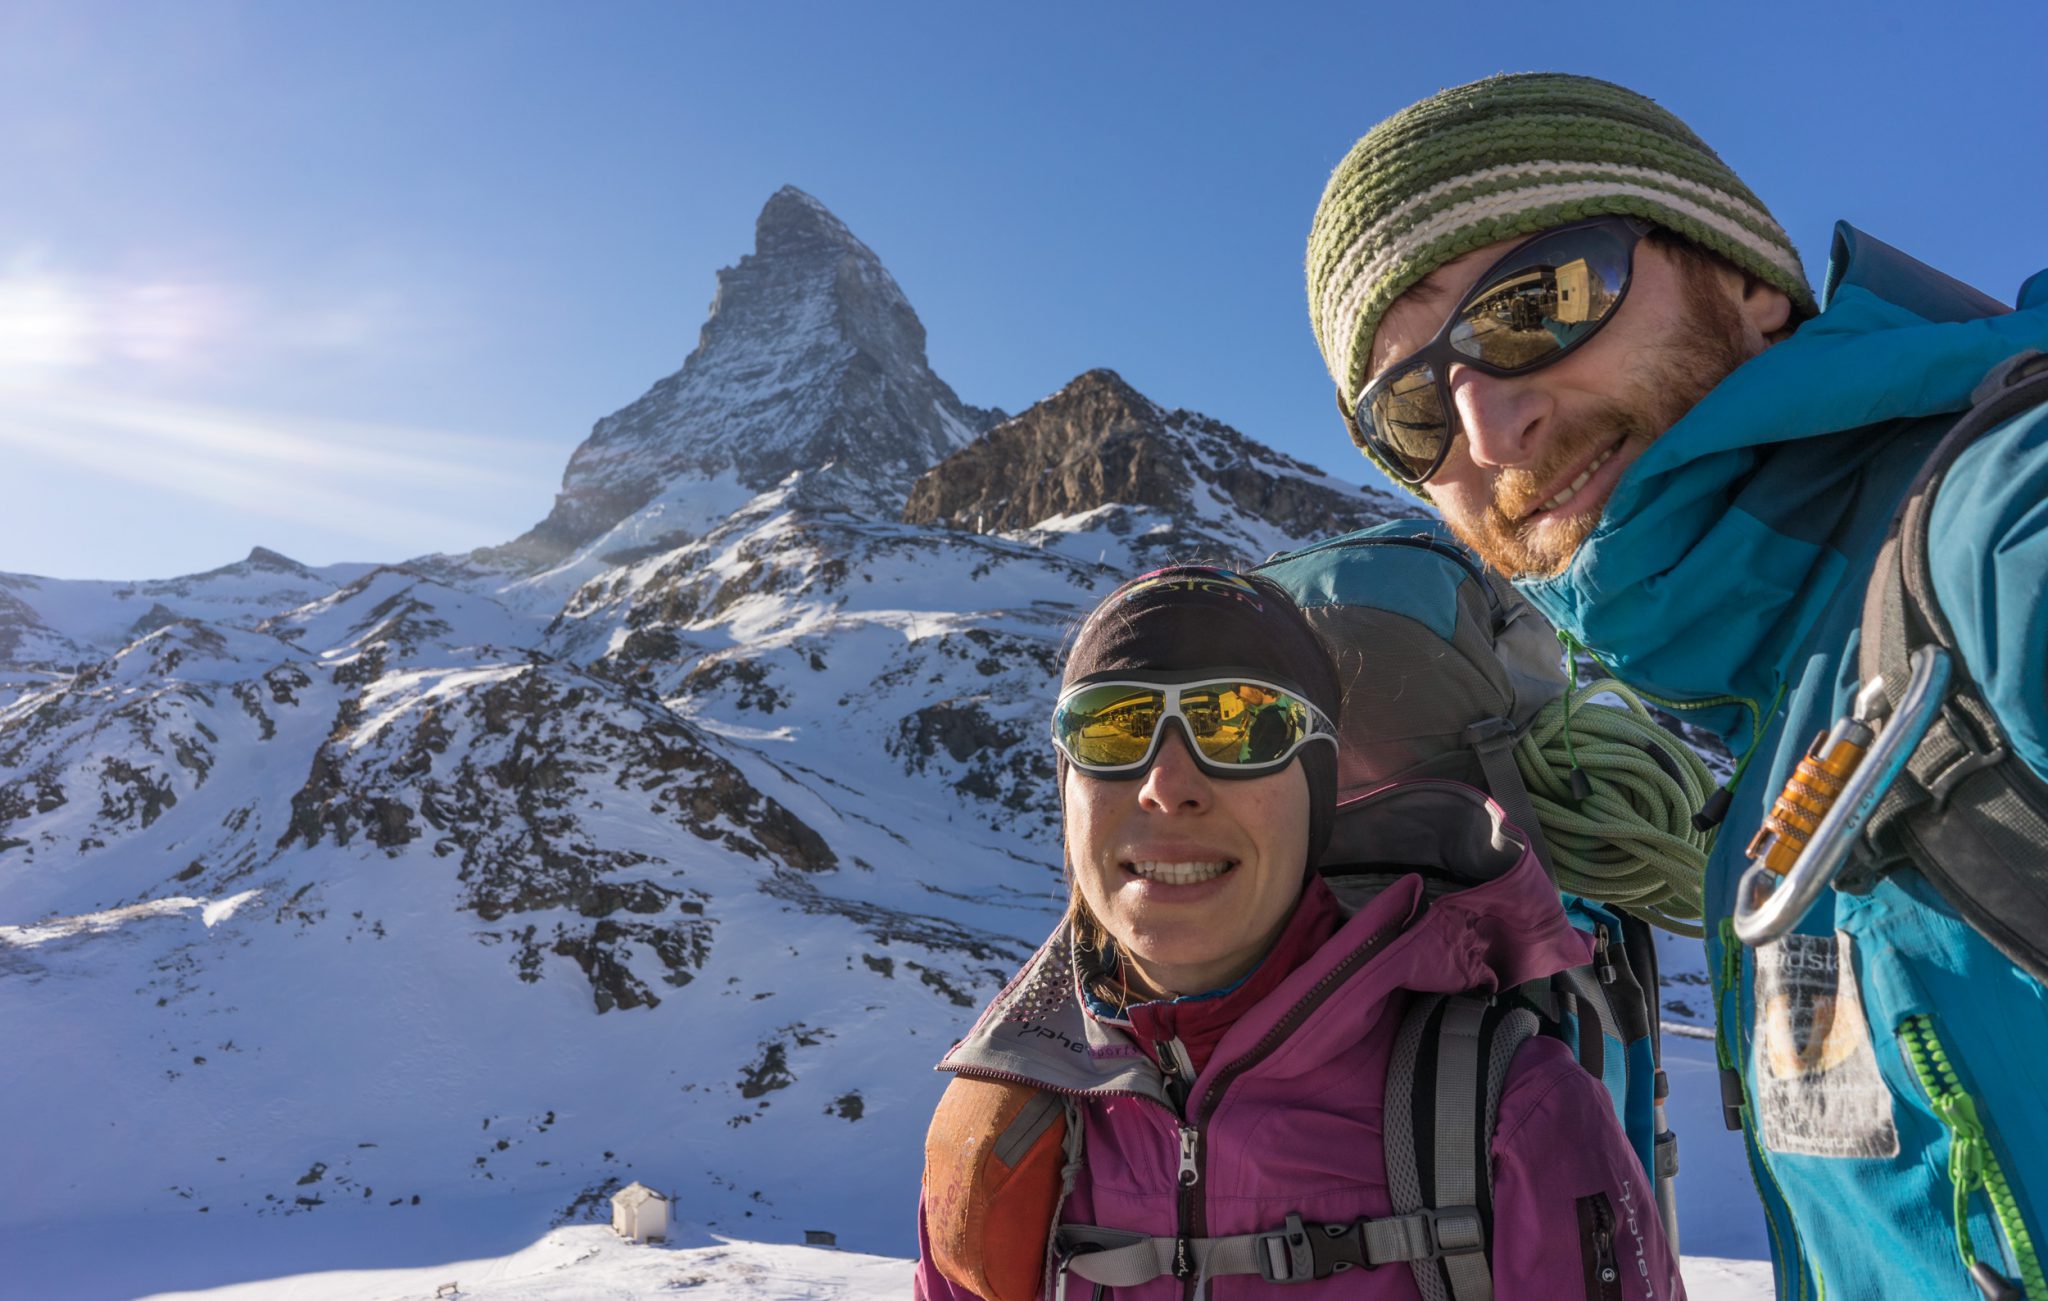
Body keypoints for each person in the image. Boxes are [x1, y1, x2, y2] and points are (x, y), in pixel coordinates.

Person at [1305, 73, 2048, 1301]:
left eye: (1534, 304)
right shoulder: (1776, 696)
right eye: (1407, 413)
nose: (1488, 430)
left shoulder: (1989, 543)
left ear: (1744, 276)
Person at [914, 564, 1680, 1299]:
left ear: (1316, 793)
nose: (1166, 786)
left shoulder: (1514, 1117)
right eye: (1111, 728)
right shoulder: (1005, 1131)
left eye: (1242, 725)